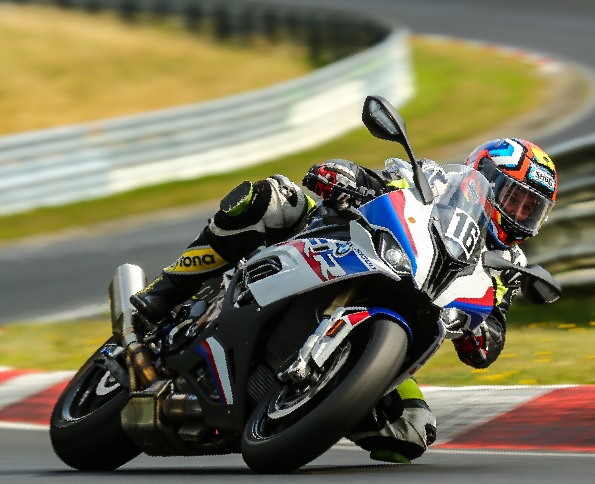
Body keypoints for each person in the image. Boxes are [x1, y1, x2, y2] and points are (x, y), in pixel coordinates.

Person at [129, 137, 558, 463]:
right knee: (273, 198)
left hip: (401, 322)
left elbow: (491, 332)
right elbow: (382, 181)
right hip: (344, 250)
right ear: (484, 178)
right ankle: (165, 292)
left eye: (530, 209)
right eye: (514, 197)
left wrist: (480, 335)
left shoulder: (507, 266)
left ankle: (312, 408)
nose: (519, 213)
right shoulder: (435, 182)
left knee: (411, 432)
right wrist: (345, 177)